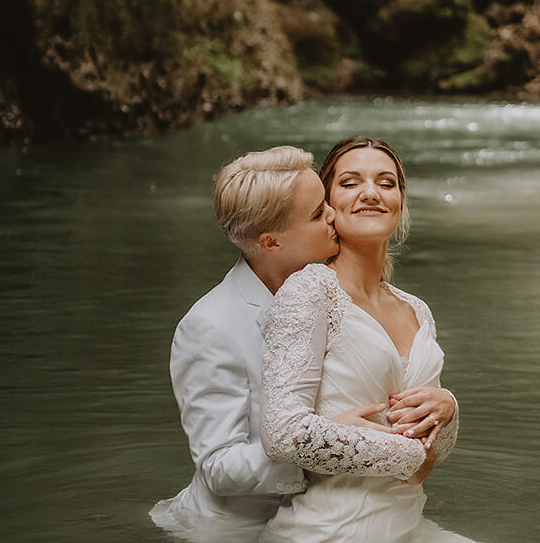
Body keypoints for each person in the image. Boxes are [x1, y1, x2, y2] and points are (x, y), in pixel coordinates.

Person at [150, 145, 456, 543]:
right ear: (272, 242)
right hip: (237, 527)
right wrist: (323, 445)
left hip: (374, 511)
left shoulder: (374, 300)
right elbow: (219, 466)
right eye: (317, 213)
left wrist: (446, 406)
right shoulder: (210, 326)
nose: (332, 214)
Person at [259, 136, 476, 543]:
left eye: (386, 183)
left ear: (400, 202)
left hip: (407, 523)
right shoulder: (309, 292)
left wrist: (448, 408)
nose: (371, 194)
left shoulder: (416, 310)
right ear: (327, 206)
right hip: (328, 530)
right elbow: (283, 434)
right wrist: (408, 456)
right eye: (350, 182)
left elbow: (430, 452)